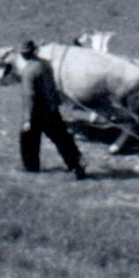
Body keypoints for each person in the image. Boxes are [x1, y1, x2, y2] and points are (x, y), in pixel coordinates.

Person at [16, 41, 88, 180]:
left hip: (36, 111)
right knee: (62, 138)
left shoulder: (29, 71)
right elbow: (52, 87)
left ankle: (31, 168)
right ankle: (76, 162)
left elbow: (29, 95)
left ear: (23, 54)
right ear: (34, 51)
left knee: (28, 139)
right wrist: (55, 103)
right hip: (51, 108)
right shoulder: (46, 64)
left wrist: (26, 119)